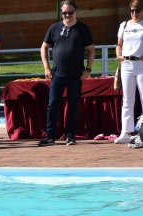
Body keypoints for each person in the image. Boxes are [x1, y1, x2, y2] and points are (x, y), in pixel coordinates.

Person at [39, 0, 94, 146]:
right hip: (57, 74)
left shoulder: (83, 29)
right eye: (64, 13)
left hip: (76, 75)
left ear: (76, 11)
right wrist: (46, 67)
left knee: (73, 106)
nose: (67, 15)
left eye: (70, 12)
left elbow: (91, 50)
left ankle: (70, 135)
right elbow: (43, 47)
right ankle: (50, 136)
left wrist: (88, 69)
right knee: (52, 105)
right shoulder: (54, 28)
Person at [114, 1, 143, 144]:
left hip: (141, 64)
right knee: (127, 99)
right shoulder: (124, 25)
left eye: (137, 10)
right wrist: (119, 55)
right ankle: (125, 131)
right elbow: (119, 45)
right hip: (126, 64)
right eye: (132, 10)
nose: (134, 13)